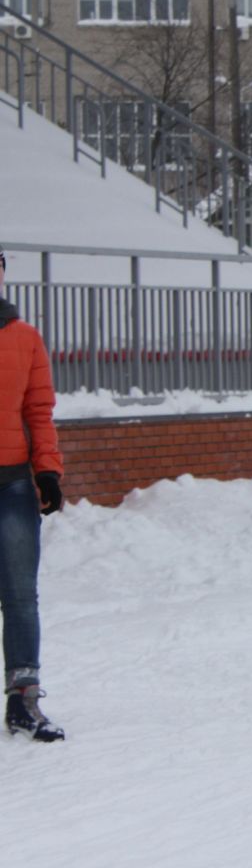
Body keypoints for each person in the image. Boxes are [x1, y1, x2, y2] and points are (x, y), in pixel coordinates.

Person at [0, 247, 65, 742]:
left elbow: (39, 411)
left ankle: (24, 702)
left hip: (12, 484)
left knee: (21, 596)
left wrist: (47, 472)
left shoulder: (24, 339)